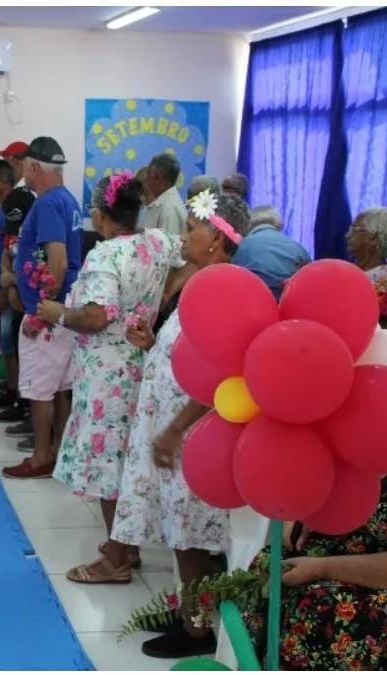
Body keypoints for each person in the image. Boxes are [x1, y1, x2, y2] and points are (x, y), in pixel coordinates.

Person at [109, 191, 252, 659]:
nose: (184, 234)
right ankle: (189, 614)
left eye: (194, 226)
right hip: (173, 421)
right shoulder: (199, 281)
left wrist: (174, 429)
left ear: (216, 240)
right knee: (178, 528)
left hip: (191, 430)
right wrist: (154, 344)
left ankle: (196, 631)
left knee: (190, 534)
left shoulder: (223, 289)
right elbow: (187, 357)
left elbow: (218, 374)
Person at [37, 173, 186, 586]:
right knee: (129, 457)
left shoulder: (105, 257)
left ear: (102, 216)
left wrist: (60, 314)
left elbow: (98, 316)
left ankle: (117, 558)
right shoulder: (157, 241)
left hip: (108, 376)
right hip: (141, 363)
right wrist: (161, 300)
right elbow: (187, 257)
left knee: (109, 465)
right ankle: (127, 544)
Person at [243, 474, 387, 670]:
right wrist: (297, 508)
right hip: (319, 556)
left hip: (384, 580)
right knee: (266, 571)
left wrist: (319, 568)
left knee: (314, 609)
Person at [1, 137, 82, 480]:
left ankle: (40, 457)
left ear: (34, 167)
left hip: (47, 313)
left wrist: (38, 312)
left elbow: (58, 262)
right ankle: (59, 450)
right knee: (61, 386)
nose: (24, 177)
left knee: (40, 389)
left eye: (24, 169)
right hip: (64, 310)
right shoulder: (69, 199)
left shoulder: (48, 204)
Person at [0, 159, 35, 420]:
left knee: (14, 342)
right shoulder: (3, 209)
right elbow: (1, 249)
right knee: (6, 341)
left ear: (3, 182)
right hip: (2, 280)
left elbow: (17, 252)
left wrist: (7, 286)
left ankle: (23, 400)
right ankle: (14, 389)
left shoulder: (17, 206)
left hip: (15, 287)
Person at [231, 204, 311, 300]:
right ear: (280, 225)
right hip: (289, 306)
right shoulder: (298, 248)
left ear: (248, 225)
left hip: (252, 304)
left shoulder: (240, 247)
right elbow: (309, 280)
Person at [142, 153, 187, 237]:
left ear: (158, 177)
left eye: (148, 173)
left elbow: (167, 247)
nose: (145, 177)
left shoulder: (169, 208)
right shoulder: (165, 202)